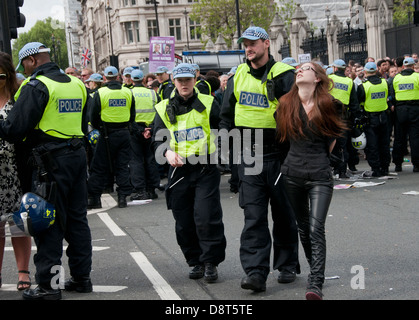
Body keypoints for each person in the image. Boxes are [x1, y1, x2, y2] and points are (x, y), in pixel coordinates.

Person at [0, 42, 92, 300]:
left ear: (31, 61)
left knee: (47, 222)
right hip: (76, 157)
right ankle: (82, 278)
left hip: (49, 163)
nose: (25, 71)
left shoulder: (37, 86)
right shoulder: (76, 84)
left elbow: (14, 130)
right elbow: (84, 122)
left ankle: (50, 288)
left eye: (25, 66)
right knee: (77, 220)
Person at [220, 26, 300, 292]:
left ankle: (287, 264)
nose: (248, 48)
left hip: (279, 152)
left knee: (284, 214)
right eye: (245, 44)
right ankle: (255, 272)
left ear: (267, 44)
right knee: (253, 217)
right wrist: (231, 161)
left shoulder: (284, 76)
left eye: (253, 43)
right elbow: (226, 117)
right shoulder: (238, 75)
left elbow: (297, 116)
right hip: (248, 153)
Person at [275, 61, 347, 300]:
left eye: (305, 68)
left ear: (317, 78)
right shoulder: (285, 104)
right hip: (292, 174)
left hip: (320, 175)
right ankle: (316, 269)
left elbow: (334, 139)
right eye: (298, 68)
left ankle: (315, 282)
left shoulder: (331, 104)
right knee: (303, 228)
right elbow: (282, 139)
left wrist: (320, 160)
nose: (299, 70)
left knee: (316, 228)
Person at [152, 63, 226, 283]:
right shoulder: (163, 107)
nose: (184, 84)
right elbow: (158, 140)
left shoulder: (209, 102)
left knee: (206, 217)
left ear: (195, 79)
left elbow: (223, 128)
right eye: (180, 80)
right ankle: (195, 261)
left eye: (187, 80)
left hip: (205, 168)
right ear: (174, 81)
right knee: (183, 221)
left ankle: (211, 262)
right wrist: (167, 154)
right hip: (179, 170)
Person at [0, 52, 32, 291]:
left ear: (9, 75)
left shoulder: (18, 97)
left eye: (0, 75)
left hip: (16, 170)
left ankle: (23, 272)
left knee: (19, 224)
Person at [87, 66, 136, 209]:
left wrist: (99, 129)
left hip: (106, 133)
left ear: (104, 78)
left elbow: (93, 116)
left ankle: (95, 198)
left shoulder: (101, 92)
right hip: (124, 132)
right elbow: (132, 114)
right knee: (122, 165)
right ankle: (122, 197)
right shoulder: (127, 92)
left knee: (99, 166)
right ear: (118, 77)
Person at [129, 69, 160, 201]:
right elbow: (160, 112)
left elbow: (128, 114)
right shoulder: (153, 94)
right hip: (150, 129)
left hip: (135, 130)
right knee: (150, 159)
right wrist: (150, 129)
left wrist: (138, 130)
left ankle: (140, 190)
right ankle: (152, 189)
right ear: (143, 80)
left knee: (136, 160)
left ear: (131, 80)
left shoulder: (128, 93)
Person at [328, 59, 362, 175]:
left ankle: (334, 168)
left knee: (331, 141)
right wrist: (356, 117)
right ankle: (342, 170)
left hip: (330, 113)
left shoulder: (330, 79)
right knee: (343, 143)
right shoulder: (349, 82)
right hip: (344, 115)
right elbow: (354, 102)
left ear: (335, 68)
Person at [357, 62, 391, 176]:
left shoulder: (363, 85)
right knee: (384, 143)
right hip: (384, 117)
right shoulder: (384, 83)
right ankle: (385, 167)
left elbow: (359, 102)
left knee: (373, 145)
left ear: (365, 72)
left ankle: (376, 169)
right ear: (376, 70)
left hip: (370, 119)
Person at [389, 57, 419, 172]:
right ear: (412, 66)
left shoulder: (397, 78)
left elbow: (392, 94)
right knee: (415, 137)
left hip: (400, 110)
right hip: (415, 109)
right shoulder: (417, 77)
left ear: (403, 67)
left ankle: (397, 164)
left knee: (399, 137)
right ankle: (416, 164)